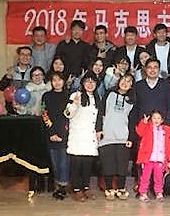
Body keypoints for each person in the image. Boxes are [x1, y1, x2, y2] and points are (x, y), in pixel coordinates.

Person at [97, 73, 137, 201]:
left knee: (122, 165)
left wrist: (130, 138)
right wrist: (98, 129)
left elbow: (132, 121)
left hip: (123, 137)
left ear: (131, 86)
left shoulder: (132, 101)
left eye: (129, 81)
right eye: (124, 80)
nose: (125, 83)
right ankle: (109, 188)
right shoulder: (109, 94)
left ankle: (121, 188)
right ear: (119, 81)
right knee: (107, 163)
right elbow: (100, 112)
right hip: (107, 135)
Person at [65, 71, 101, 202]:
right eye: (87, 81)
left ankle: (86, 187)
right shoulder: (76, 95)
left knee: (87, 164)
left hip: (90, 136)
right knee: (77, 163)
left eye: (93, 82)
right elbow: (67, 113)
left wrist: (99, 130)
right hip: (78, 135)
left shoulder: (97, 97)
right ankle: (75, 188)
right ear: (82, 83)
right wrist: (74, 104)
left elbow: (99, 116)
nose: (90, 84)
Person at [41, 72, 70, 200]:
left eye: (59, 80)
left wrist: (62, 133)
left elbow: (70, 115)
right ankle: (57, 185)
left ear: (64, 81)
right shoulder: (46, 96)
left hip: (65, 134)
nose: (57, 82)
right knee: (55, 162)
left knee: (64, 162)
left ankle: (63, 187)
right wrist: (52, 132)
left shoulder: (69, 96)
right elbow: (44, 114)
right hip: (50, 133)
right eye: (54, 80)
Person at [135, 110, 170, 202]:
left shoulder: (165, 131)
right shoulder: (147, 128)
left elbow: (168, 146)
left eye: (158, 118)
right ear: (151, 119)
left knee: (158, 177)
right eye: (154, 118)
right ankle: (143, 193)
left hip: (160, 158)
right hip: (148, 158)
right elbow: (139, 132)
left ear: (162, 120)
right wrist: (144, 122)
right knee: (145, 177)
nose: (156, 120)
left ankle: (159, 192)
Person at [0, 46, 33, 115]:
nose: (25, 57)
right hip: (12, 110)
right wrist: (8, 77)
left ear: (31, 57)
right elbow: (1, 87)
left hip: (29, 110)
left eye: (28, 55)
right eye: (22, 54)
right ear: (18, 56)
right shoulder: (12, 71)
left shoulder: (34, 72)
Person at [55, 20, 91, 86]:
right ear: (71, 30)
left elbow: (88, 63)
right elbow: (57, 60)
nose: (77, 32)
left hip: (80, 79)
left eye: (80, 30)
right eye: (75, 29)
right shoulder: (63, 44)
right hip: (64, 78)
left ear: (83, 31)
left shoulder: (86, 46)